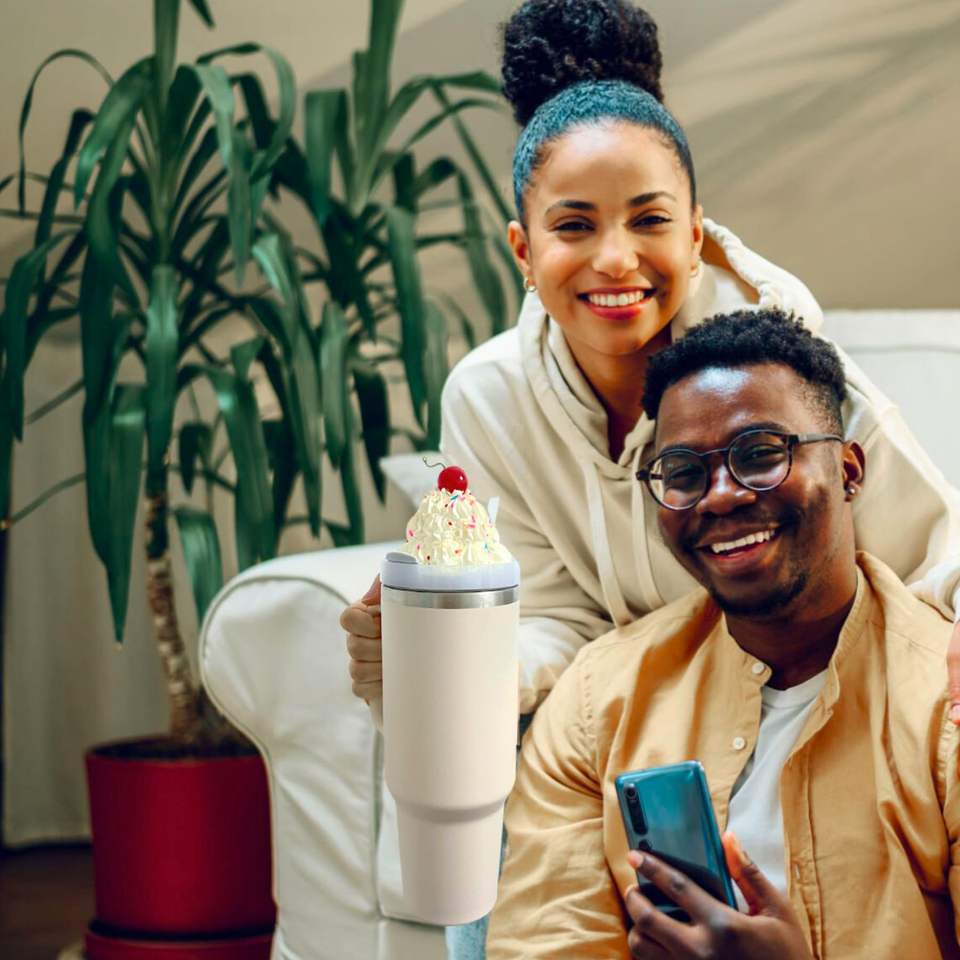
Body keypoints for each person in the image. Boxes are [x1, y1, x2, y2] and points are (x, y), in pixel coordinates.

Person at [343, 0, 960, 719]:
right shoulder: (489, 399)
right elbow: (557, 618)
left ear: (695, 237)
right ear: (523, 251)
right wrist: (453, 665)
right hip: (651, 722)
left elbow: (936, 555)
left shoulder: (780, 373)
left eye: (650, 219)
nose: (615, 258)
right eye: (574, 225)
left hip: (828, 700)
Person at [485, 310, 960, 959]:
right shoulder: (598, 702)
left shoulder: (943, 703)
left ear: (849, 470)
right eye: (683, 473)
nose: (720, 495)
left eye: (760, 455)